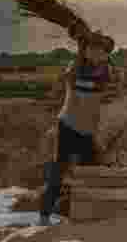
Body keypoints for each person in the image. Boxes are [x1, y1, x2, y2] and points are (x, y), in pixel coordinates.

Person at [40, 29, 114, 227]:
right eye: (95, 50)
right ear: (87, 50)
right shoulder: (75, 67)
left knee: (92, 170)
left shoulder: (106, 70)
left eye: (103, 52)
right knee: (59, 170)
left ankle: (86, 212)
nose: (100, 55)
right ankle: (44, 217)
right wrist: (83, 50)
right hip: (68, 126)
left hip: (87, 131)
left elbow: (105, 83)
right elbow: (78, 78)